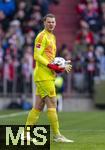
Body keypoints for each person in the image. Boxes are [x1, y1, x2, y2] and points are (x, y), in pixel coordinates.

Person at [25, 13, 73, 143]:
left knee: (38, 106)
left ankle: (25, 134)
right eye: (49, 22)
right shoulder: (41, 36)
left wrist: (61, 65)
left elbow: (50, 57)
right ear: (44, 23)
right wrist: (50, 65)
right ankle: (57, 135)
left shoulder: (52, 36)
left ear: (55, 23)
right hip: (43, 76)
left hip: (48, 75)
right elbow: (36, 55)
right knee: (52, 103)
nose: (51, 24)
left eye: (53, 22)